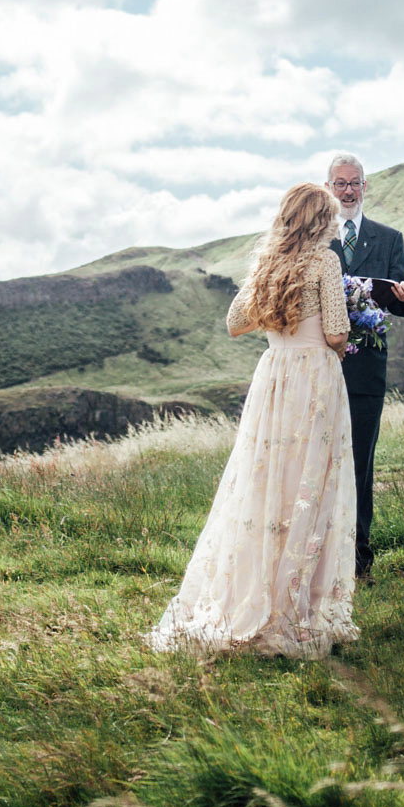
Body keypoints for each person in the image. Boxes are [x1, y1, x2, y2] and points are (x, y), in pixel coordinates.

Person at [148, 183, 359, 658]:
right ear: (320, 220)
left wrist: (278, 322)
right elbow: (336, 331)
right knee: (310, 486)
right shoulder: (325, 261)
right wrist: (339, 342)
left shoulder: (267, 262)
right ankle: (297, 609)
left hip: (274, 377)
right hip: (314, 383)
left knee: (266, 484)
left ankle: (255, 592)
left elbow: (235, 322)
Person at [326, 152, 404, 580]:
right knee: (318, 460)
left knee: (360, 462)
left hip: (366, 374)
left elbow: (403, 307)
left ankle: (359, 557)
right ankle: (320, 554)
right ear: (329, 188)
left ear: (366, 187)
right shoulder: (314, 238)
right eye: (340, 183)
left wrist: (403, 294)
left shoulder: (389, 238)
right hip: (319, 366)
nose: (348, 190)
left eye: (355, 183)